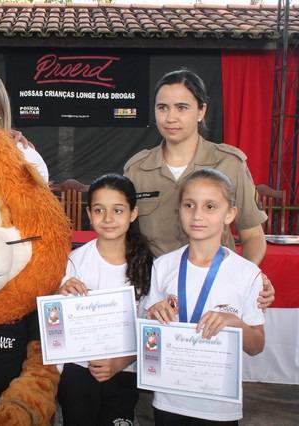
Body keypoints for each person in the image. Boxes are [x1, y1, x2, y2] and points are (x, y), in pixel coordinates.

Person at [144, 168, 265, 425]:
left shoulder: (247, 273)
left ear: (229, 214)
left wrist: (236, 323)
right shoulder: (163, 266)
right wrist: (153, 315)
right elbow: (147, 328)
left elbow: (256, 346)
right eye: (189, 205)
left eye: (210, 206)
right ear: (179, 210)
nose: (198, 215)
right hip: (168, 397)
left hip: (219, 406)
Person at [124, 69, 266, 264]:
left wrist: (245, 280)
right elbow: (124, 238)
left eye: (181, 107)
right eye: (163, 108)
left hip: (215, 285)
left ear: (201, 111)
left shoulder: (229, 164)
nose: (170, 117)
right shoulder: (136, 170)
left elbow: (253, 236)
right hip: (157, 287)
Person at [57, 174, 153, 426]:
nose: (108, 219)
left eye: (118, 210)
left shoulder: (149, 266)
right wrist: (60, 295)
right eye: (99, 210)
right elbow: (55, 323)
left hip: (124, 370)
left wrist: (120, 362)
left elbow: (151, 329)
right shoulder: (74, 262)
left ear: (133, 213)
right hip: (78, 369)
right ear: (89, 214)